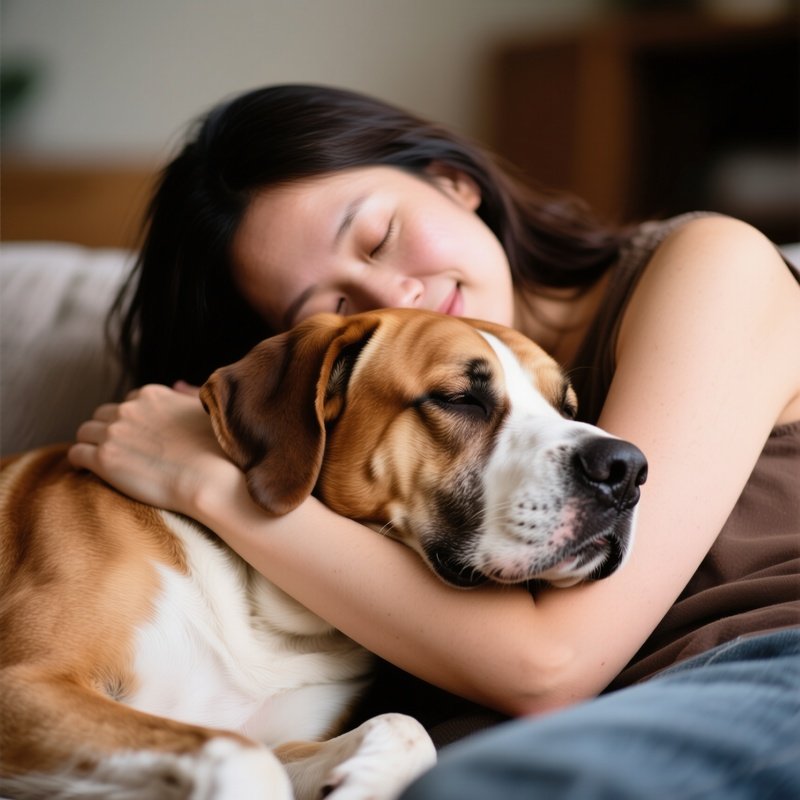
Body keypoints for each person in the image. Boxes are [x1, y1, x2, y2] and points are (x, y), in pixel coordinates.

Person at [68, 84, 800, 797]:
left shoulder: (714, 263)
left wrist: (211, 484)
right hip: (526, 722)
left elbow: (550, 666)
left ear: (454, 181)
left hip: (758, 667)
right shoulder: (363, 427)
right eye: (336, 304)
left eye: (378, 237)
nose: (397, 298)